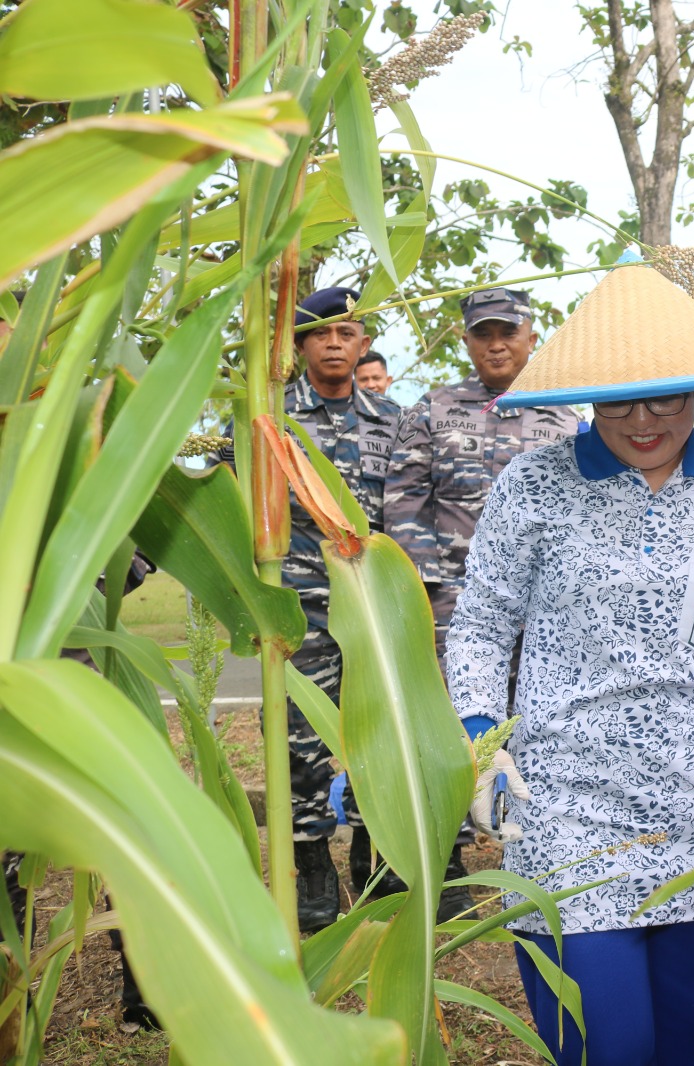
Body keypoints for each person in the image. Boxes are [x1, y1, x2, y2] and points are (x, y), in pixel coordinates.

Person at [446, 260, 694, 1066]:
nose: (644, 421)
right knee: (604, 1048)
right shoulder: (533, 485)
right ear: (587, 397)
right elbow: (479, 626)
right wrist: (482, 742)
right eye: (619, 400)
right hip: (567, 816)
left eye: (668, 397)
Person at [385, 287, 579, 918]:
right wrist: (425, 585)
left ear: (531, 334)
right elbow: (405, 498)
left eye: (508, 332)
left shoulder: (566, 414)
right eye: (483, 334)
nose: (496, 344)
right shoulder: (433, 410)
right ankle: (443, 858)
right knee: (448, 725)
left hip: (547, 609)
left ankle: (535, 847)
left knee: (538, 722)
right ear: (467, 340)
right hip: (456, 603)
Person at [266, 286, 403, 932]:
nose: (333, 343)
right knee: (305, 744)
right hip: (305, 610)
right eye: (319, 333)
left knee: (379, 734)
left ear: (364, 344)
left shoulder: (393, 420)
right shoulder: (273, 419)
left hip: (372, 608)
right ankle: (313, 868)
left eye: (346, 333)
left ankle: (379, 862)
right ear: (299, 345)